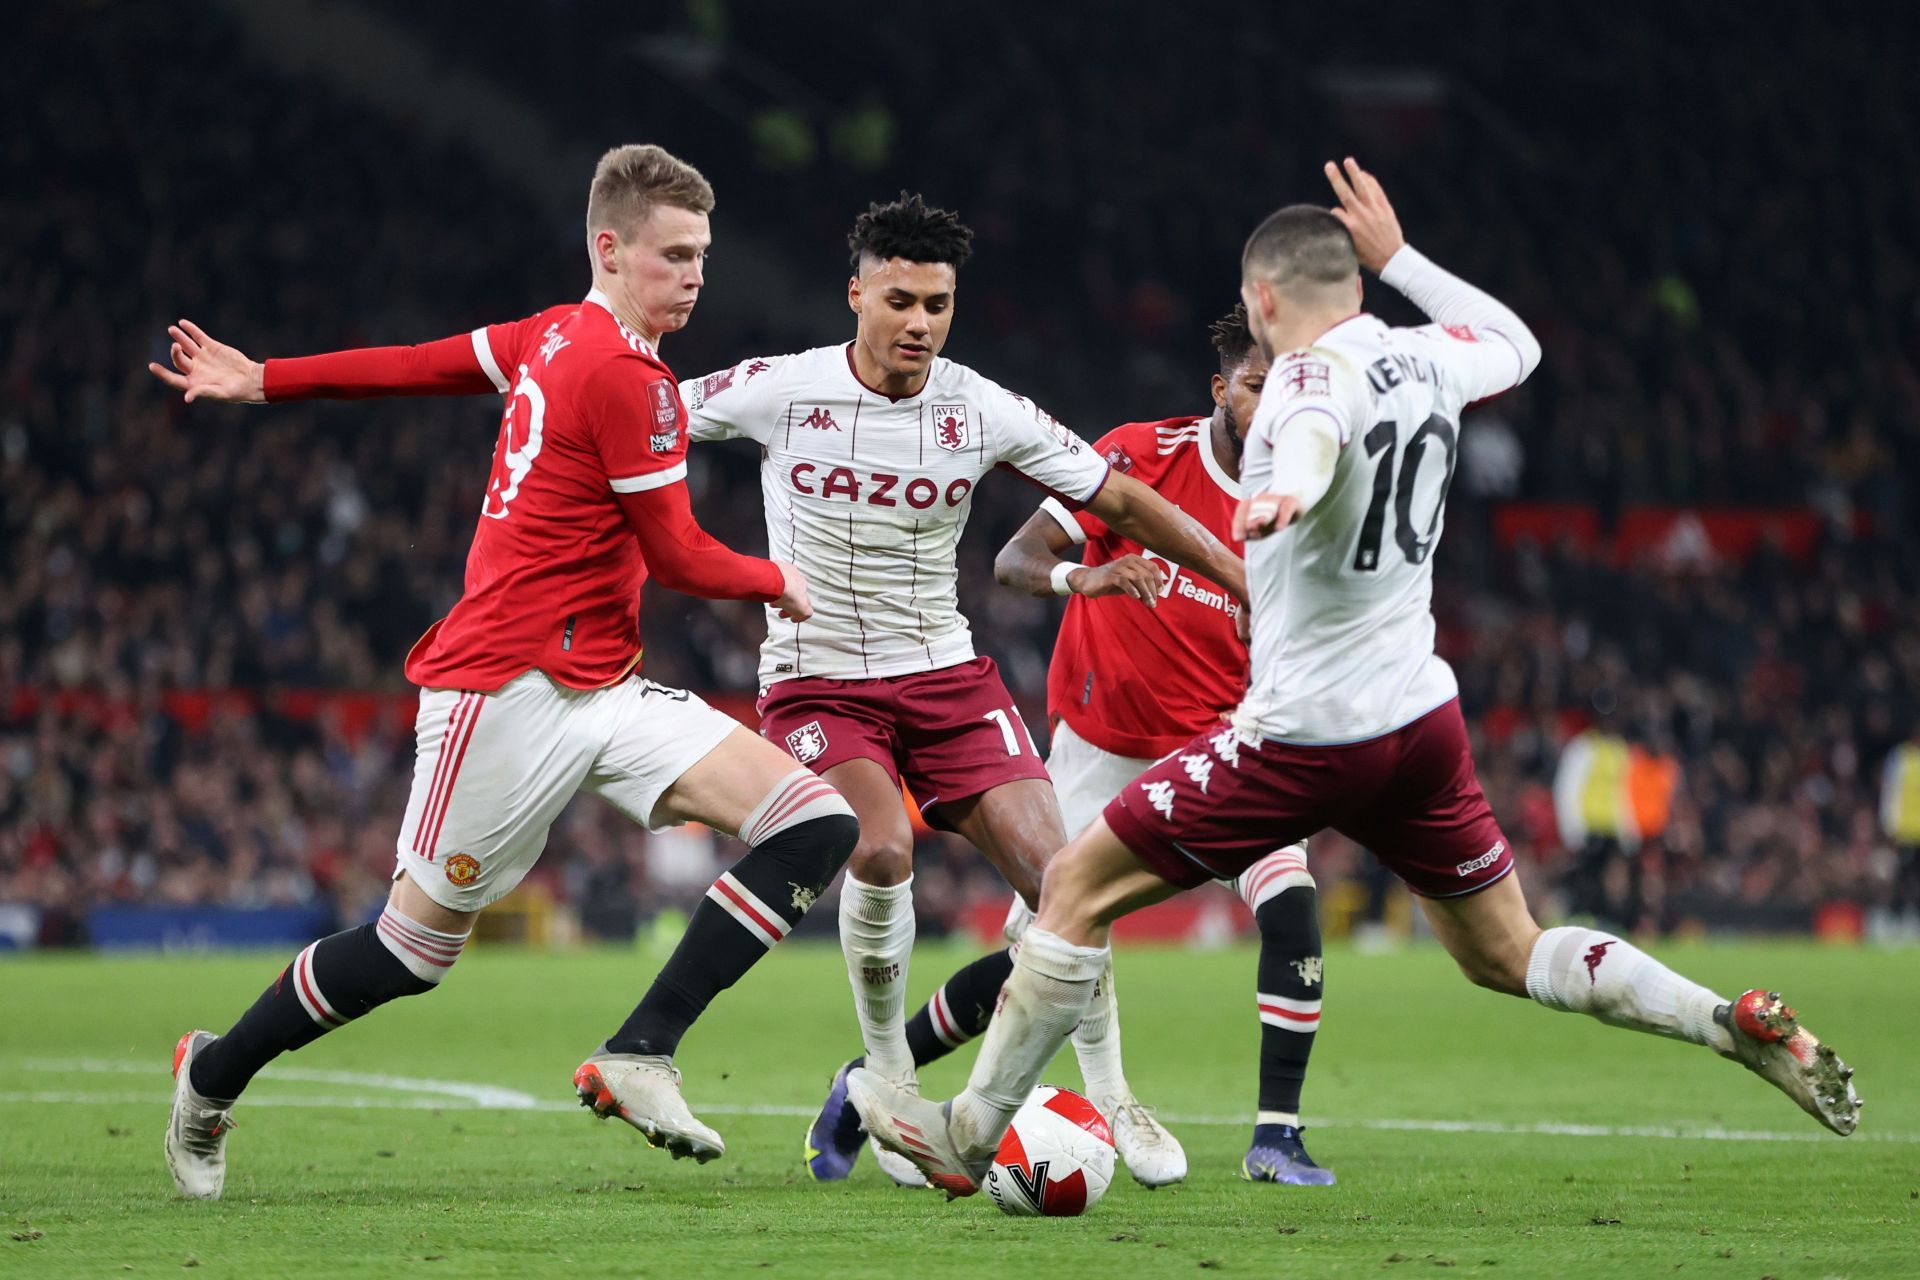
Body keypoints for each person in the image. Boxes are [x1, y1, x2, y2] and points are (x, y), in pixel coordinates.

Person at [848, 158, 1862, 1197]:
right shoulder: (1430, 358)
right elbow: (1521, 340)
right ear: (1361, 284)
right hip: (1419, 721)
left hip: (1302, 733)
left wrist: (1285, 490)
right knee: (1507, 949)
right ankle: (1718, 1019)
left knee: (1072, 886)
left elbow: (1317, 422)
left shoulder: (1297, 379)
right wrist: (1406, 258)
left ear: (1264, 300)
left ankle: (968, 1132)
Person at [149, 144, 861, 1200]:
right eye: (674, 255)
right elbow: (676, 553)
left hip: (603, 686)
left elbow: (418, 361)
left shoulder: (553, 331)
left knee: (814, 820)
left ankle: (641, 1048)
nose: (696, 275)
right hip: (502, 691)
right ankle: (210, 1076)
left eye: (703, 254)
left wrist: (269, 378)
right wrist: (775, 577)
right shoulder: (625, 372)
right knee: (406, 954)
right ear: (610, 250)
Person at [678, 193, 1245, 1188]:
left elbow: (1111, 494)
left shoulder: (979, 405)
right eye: (899, 299)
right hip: (819, 679)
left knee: (1069, 879)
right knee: (882, 842)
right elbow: (646, 421)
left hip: (944, 674)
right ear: (855, 293)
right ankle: (890, 1068)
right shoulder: (781, 389)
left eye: (937, 305)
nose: (919, 324)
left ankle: (1074, 1097)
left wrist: (1242, 576)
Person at [809, 305, 1333, 1186]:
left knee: (1292, 902)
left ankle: (1276, 1135)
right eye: (1256, 386)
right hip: (1103, 752)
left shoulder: (1306, 502)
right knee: (1041, 958)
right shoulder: (1140, 455)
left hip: (1223, 748)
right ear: (1221, 390)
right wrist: (1083, 576)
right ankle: (870, 1078)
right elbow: (1015, 558)